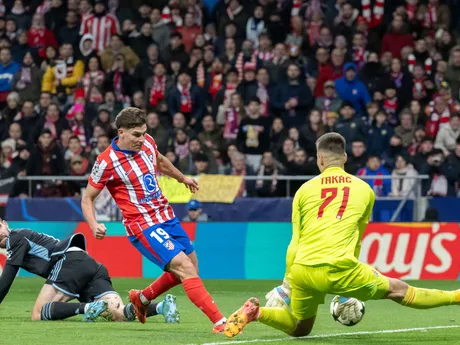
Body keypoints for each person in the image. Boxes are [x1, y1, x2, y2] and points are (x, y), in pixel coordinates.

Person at [223, 132, 460, 339]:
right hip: (340, 267)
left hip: (303, 268)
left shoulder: (304, 190)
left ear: (320, 159)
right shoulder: (364, 190)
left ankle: (257, 313)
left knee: (300, 329)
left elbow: (295, 240)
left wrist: (288, 283)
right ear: (345, 158)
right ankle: (456, 296)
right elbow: (356, 238)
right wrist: (346, 287)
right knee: (398, 290)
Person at [81, 107, 227, 332]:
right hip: (142, 224)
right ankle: (221, 323)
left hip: (166, 216)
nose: (142, 139)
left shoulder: (147, 142)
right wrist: (93, 225)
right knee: (184, 268)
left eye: (144, 133)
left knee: (191, 269)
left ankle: (141, 299)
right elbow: (87, 198)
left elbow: (159, 160)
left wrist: (182, 178)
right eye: (136, 135)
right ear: (121, 132)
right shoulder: (106, 162)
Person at [0, 219, 177, 323]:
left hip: (69, 263)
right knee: (118, 313)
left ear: (5, 224)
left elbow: (6, 279)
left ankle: (87, 308)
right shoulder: (18, 241)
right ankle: (162, 307)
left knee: (38, 314)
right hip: (88, 264)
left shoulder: (15, 237)